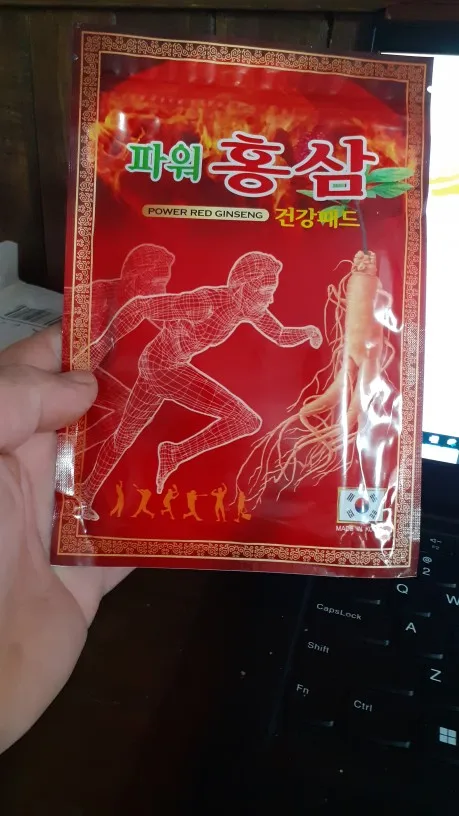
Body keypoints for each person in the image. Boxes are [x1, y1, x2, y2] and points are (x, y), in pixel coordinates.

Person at [75, 251, 322, 519]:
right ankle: (174, 453)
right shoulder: (205, 303)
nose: (270, 300)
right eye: (265, 293)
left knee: (124, 437)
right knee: (245, 420)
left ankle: (86, 493)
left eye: (271, 293)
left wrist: (308, 332)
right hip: (162, 368)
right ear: (243, 288)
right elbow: (139, 307)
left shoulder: (247, 309)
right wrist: (101, 345)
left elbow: (280, 335)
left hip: (160, 365)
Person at [0, 324, 130, 755]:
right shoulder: (201, 303)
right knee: (122, 439)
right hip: (154, 372)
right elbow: (142, 311)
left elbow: (274, 331)